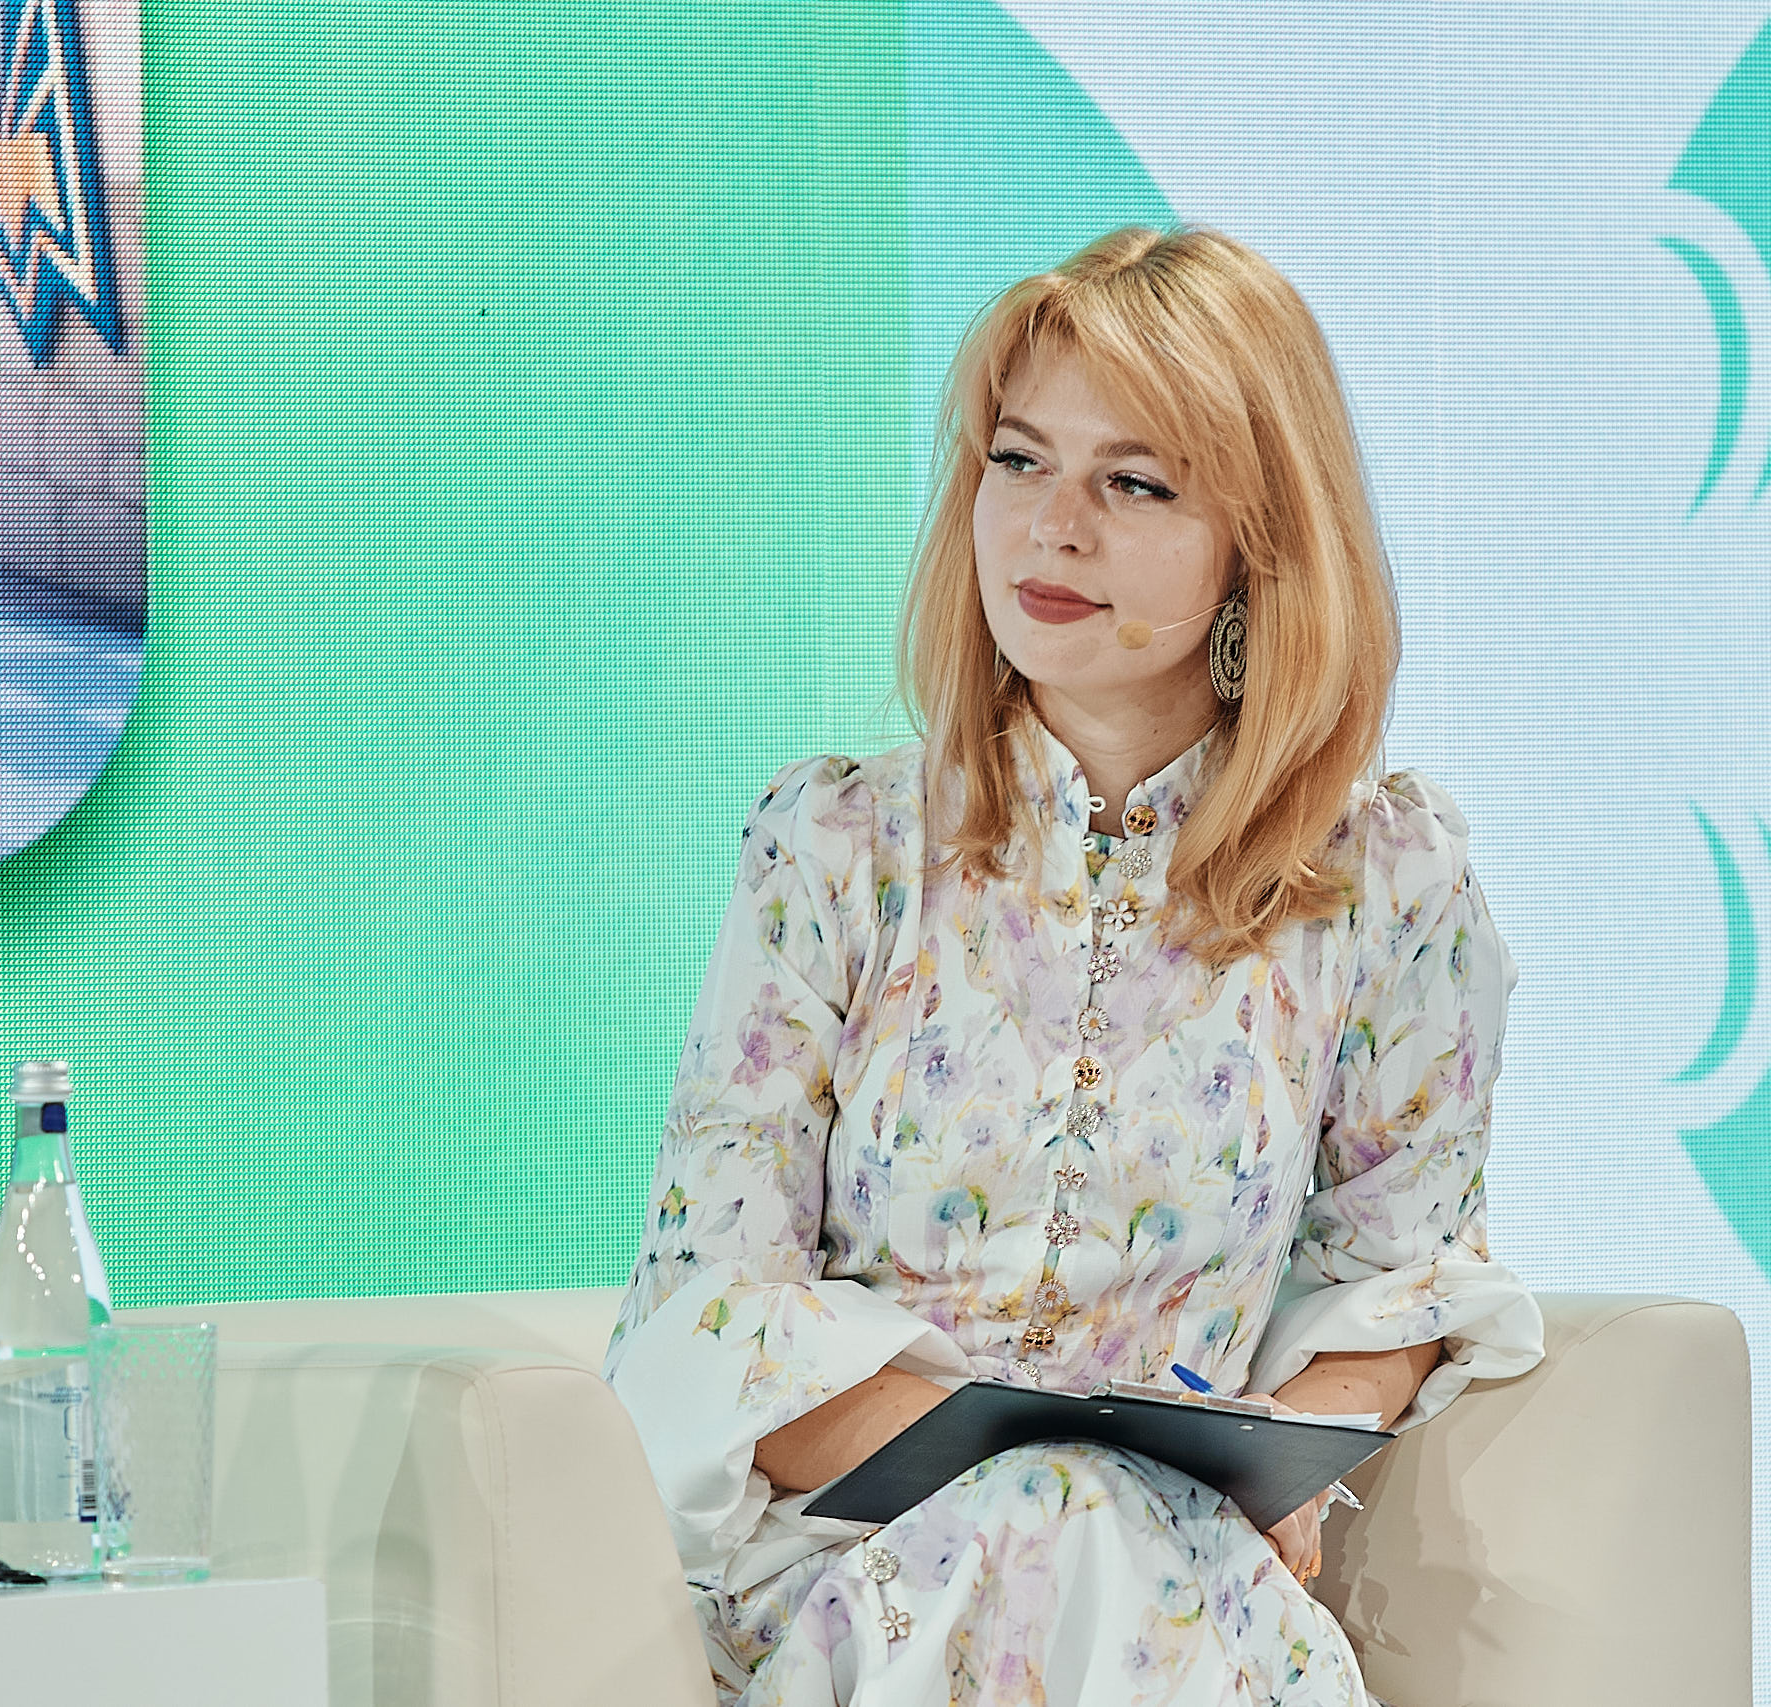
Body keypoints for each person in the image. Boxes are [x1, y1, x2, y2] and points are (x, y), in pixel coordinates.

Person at [604, 225, 1544, 1706]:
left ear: (1260, 542)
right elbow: (705, 1309)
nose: (1052, 527)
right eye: (1020, 460)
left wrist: (1276, 1455)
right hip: (856, 1576)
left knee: (1098, 1544)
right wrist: (1055, 1478)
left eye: (1135, 483)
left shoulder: (1387, 886)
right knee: (1056, 1522)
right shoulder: (836, 847)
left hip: (1189, 1585)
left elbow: (1401, 1277)